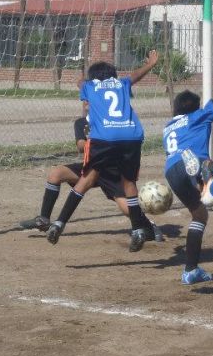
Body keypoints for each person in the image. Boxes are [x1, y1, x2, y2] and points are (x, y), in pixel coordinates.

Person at [46, 50, 159, 251]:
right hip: (131, 136)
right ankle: (138, 230)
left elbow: (81, 83)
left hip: (104, 138)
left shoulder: (89, 86)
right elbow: (135, 76)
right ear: (113, 76)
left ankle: (59, 223)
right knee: (129, 183)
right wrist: (150, 64)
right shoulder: (122, 84)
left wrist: (80, 80)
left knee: (86, 180)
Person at [19, 113, 163, 244]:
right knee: (56, 174)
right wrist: (92, 139)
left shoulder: (109, 120)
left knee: (127, 208)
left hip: (111, 171)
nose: (87, 104)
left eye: (90, 100)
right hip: (92, 167)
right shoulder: (81, 122)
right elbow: (81, 146)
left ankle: (148, 225)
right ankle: (43, 219)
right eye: (86, 101)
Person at [162, 90, 213, 284]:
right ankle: (209, 183)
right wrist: (207, 110)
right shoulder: (196, 117)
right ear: (194, 109)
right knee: (206, 162)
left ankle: (190, 271)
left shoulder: (168, 127)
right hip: (189, 161)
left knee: (200, 215)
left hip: (171, 170)